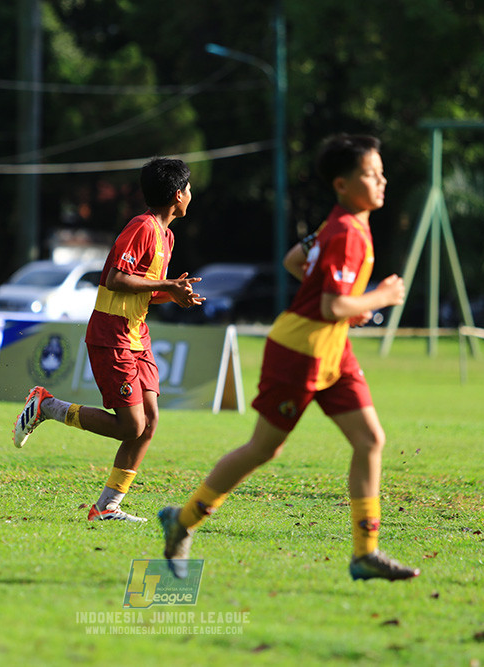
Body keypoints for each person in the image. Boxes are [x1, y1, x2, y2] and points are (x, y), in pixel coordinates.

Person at [158, 134, 420, 581]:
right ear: (342, 184)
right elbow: (331, 306)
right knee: (264, 448)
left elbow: (296, 259)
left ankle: (365, 553)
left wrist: (349, 305)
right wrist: (380, 297)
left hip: (333, 350)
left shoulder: (342, 225)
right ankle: (182, 521)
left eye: (381, 172)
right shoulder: (345, 232)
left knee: (370, 440)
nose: (381, 180)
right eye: (370, 174)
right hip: (299, 351)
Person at [12, 157, 203, 522]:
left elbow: (142, 289)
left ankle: (107, 506)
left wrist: (173, 294)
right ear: (178, 195)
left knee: (149, 422)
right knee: (131, 426)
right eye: (189, 189)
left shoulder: (167, 235)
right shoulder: (142, 227)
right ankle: (46, 406)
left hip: (137, 336)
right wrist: (167, 284)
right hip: (112, 336)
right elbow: (116, 278)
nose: (191, 194)